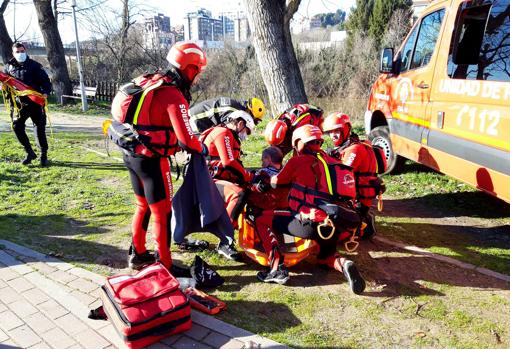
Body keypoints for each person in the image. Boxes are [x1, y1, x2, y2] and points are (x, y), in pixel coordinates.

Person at [115, 41, 208, 272]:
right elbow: (187, 139)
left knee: (142, 205)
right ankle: (165, 264)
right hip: (152, 160)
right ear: (189, 68)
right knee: (163, 212)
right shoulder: (172, 94)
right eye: (197, 71)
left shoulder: (151, 80)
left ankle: (138, 254)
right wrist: (202, 147)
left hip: (131, 153)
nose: (197, 78)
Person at [254, 125, 366, 294]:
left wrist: (264, 179)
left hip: (310, 222)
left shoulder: (297, 161)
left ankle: (276, 267)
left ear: (299, 142)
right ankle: (344, 264)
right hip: (335, 222)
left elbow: (276, 182)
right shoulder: (332, 160)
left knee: (261, 219)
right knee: (325, 258)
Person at [321, 112, 386, 239]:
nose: (333, 135)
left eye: (337, 131)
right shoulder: (348, 145)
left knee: (335, 234)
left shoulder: (355, 149)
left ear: (346, 129)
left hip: (359, 199)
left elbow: (341, 174)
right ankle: (361, 219)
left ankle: (363, 226)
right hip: (354, 195)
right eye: (330, 132)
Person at [200, 109, 255, 259]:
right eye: (247, 131)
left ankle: (235, 228)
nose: (246, 135)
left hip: (213, 179)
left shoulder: (229, 135)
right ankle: (225, 241)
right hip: (205, 181)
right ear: (241, 123)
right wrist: (247, 176)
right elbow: (228, 162)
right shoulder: (223, 133)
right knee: (238, 194)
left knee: (247, 189)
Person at [4, 42, 52, 166]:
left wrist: (46, 92)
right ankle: (29, 152)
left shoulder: (35, 66)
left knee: (39, 129)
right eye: (17, 52)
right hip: (19, 105)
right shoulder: (8, 67)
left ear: (25, 51)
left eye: (22, 51)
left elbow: (46, 82)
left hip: (35, 103)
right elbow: (5, 83)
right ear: (13, 53)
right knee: (17, 127)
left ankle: (43, 155)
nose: (20, 54)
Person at [189, 96, 266, 134]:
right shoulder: (234, 112)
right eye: (254, 120)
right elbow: (226, 132)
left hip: (201, 119)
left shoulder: (236, 106)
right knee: (200, 154)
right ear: (250, 112)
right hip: (196, 119)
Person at [246, 146, 289, 212]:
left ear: (268, 159)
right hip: (285, 208)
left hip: (265, 207)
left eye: (262, 159)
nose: (261, 163)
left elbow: (252, 188)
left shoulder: (262, 173)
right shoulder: (287, 174)